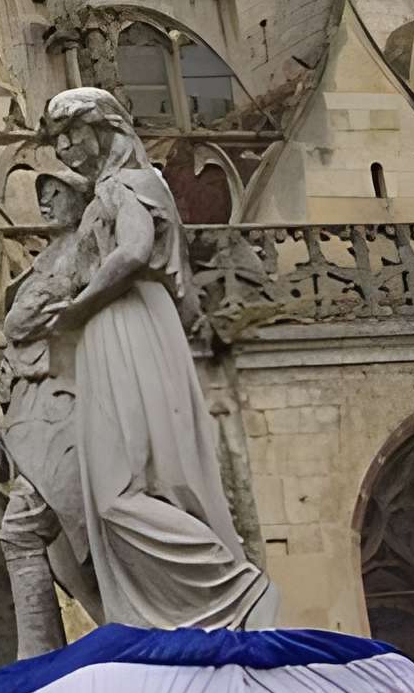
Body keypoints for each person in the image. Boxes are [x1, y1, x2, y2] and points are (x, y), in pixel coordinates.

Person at [32, 88, 279, 632]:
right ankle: (162, 615)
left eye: (75, 132)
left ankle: (232, 588)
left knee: (124, 490)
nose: (67, 148)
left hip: (127, 321)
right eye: (60, 139)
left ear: (108, 129)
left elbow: (135, 250)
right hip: (107, 327)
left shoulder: (131, 183)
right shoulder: (104, 194)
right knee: (115, 491)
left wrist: (79, 305)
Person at [0, 167, 105, 660]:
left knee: (54, 533)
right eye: (43, 195)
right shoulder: (44, 259)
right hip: (36, 412)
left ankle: (41, 655)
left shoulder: (87, 253)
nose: (47, 203)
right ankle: (41, 653)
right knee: (36, 535)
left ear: (83, 199)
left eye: (58, 193)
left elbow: (33, 323)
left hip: (70, 407)